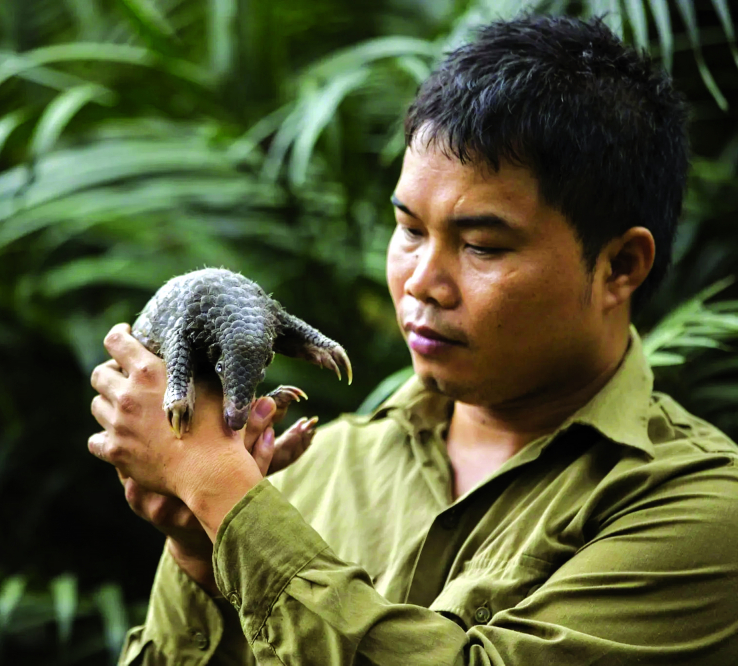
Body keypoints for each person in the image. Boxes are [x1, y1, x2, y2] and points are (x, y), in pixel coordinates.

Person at [88, 14, 738, 665]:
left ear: (620, 266)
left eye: (482, 246)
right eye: (409, 230)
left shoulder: (700, 511)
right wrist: (199, 553)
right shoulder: (310, 465)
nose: (423, 283)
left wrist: (222, 497)